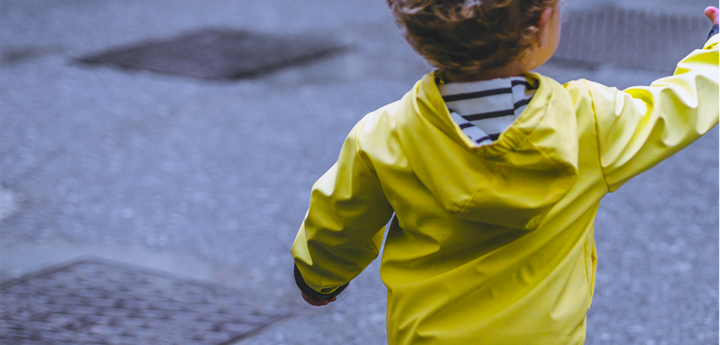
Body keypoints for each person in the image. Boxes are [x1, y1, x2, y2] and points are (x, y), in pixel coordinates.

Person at [291, 0, 720, 343]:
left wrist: (319, 279)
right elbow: (681, 106)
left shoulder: (383, 134)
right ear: (541, 23)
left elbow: (340, 218)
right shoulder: (588, 122)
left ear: (416, 33)